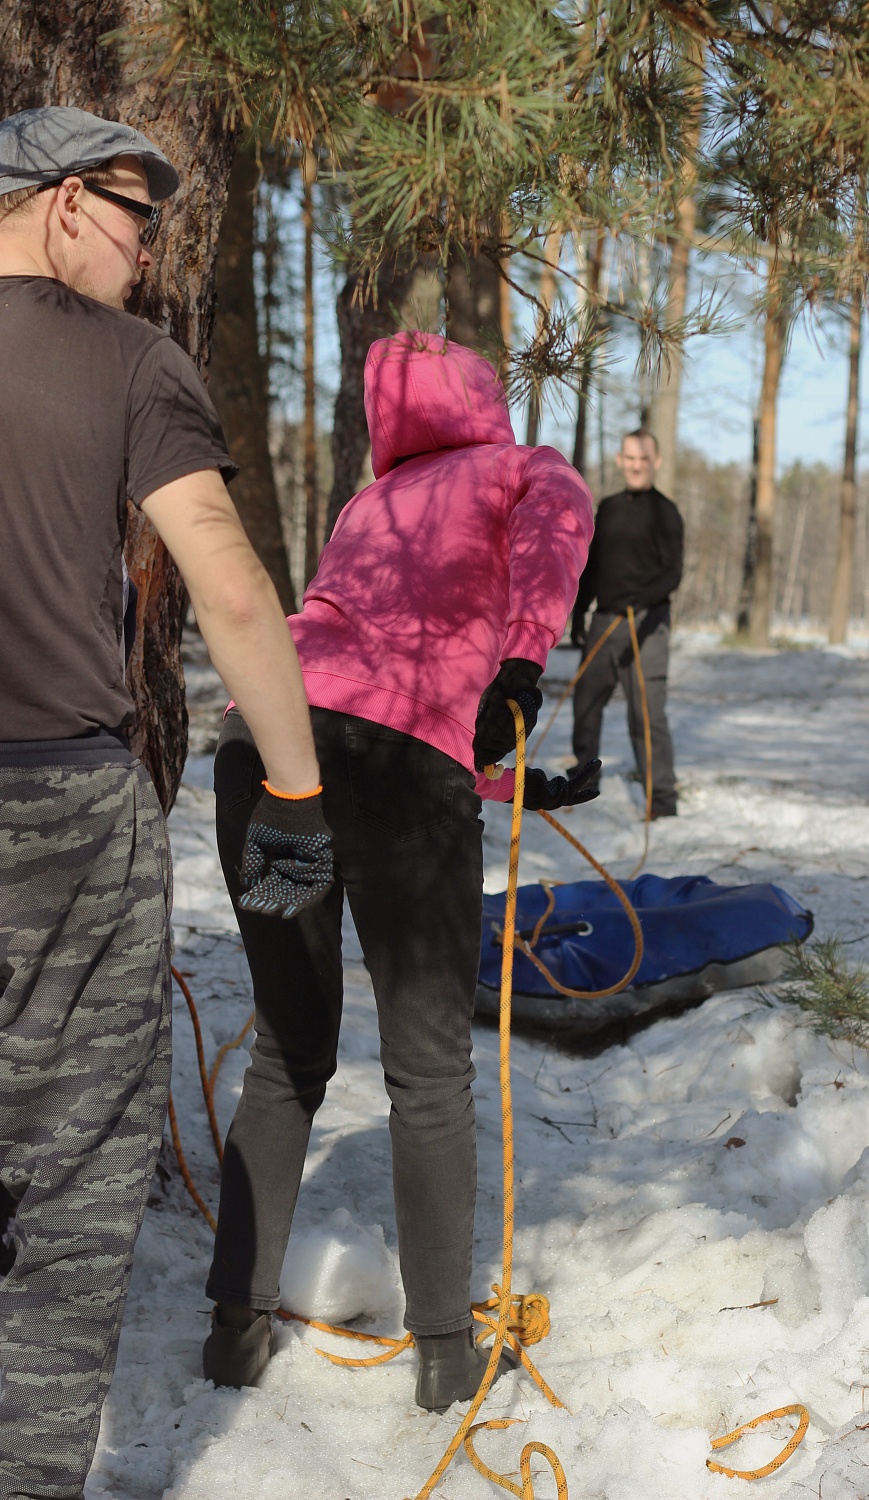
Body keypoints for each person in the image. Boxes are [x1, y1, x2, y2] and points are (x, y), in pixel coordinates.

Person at [0, 105, 333, 1500]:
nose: (148, 258)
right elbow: (234, 588)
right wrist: (299, 798)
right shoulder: (134, 364)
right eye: (140, 225)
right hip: (65, 813)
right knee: (72, 1183)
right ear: (69, 204)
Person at [202, 330, 599, 1412]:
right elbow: (559, 536)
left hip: (265, 758)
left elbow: (352, 697)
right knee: (429, 1069)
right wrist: (522, 663)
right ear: (487, 400)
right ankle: (440, 1357)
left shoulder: (365, 510)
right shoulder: (527, 469)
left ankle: (232, 1332)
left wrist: (511, 787)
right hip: (395, 779)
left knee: (287, 1051)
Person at [570, 428, 684, 818]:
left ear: (656, 462)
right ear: (621, 460)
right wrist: (580, 611)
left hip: (648, 622)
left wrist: (643, 602)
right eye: (630, 458)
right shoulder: (608, 508)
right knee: (585, 702)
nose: (636, 465)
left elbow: (673, 574)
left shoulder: (665, 512)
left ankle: (662, 800)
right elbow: (593, 565)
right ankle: (583, 784)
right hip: (605, 620)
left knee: (645, 713)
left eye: (644, 459)